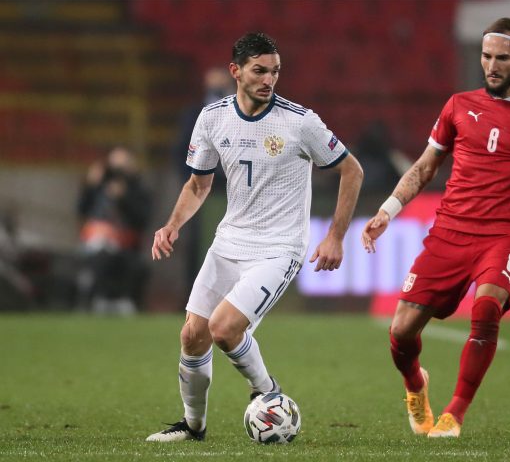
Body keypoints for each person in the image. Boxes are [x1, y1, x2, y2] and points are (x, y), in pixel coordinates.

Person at [361, 17, 510, 438]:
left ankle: (454, 414)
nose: (492, 66)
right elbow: (424, 167)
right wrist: (387, 210)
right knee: (401, 332)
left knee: (486, 310)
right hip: (449, 232)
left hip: (504, 236)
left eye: (502, 58)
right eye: (486, 57)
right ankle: (416, 384)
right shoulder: (458, 105)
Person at [147, 32, 363, 442]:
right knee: (192, 335)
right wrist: (173, 224)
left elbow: (352, 170)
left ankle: (268, 392)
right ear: (236, 71)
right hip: (230, 241)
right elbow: (198, 184)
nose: (269, 80)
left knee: (225, 328)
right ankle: (193, 427)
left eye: (275, 71)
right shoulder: (212, 118)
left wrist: (335, 236)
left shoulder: (300, 122)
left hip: (279, 248)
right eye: (260, 71)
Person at [170, 67, 236, 296]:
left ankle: (234, 294)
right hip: (203, 189)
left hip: (234, 191)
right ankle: (193, 293)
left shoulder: (242, 113)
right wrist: (193, 180)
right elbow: (181, 152)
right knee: (198, 243)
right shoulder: (194, 114)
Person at [76, 146, 151, 314]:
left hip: (126, 245)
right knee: (100, 257)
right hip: (96, 243)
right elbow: (81, 210)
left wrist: (124, 198)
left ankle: (122, 300)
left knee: (130, 264)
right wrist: (90, 185)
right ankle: (99, 298)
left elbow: (142, 219)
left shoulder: (138, 190)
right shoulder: (98, 188)